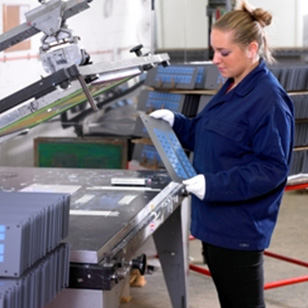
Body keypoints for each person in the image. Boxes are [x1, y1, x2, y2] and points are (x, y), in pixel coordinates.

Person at [150, 2, 294, 308]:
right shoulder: (231, 86)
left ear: (252, 48)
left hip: (239, 229)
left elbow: (271, 169)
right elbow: (208, 137)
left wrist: (213, 185)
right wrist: (178, 124)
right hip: (212, 223)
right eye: (213, 50)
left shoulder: (268, 100)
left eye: (223, 52)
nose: (215, 59)